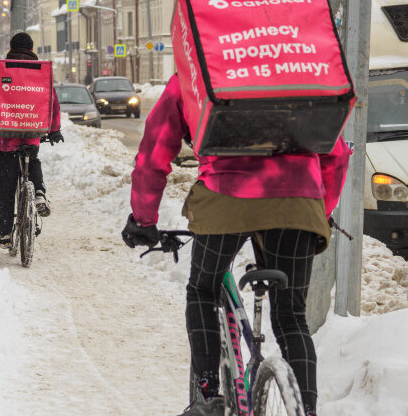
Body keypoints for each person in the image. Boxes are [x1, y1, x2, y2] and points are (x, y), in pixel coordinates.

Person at [121, 74, 351, 416]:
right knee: (291, 318)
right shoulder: (296, 68)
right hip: (298, 198)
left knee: (203, 290)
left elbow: (155, 148)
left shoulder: (198, 65)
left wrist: (144, 219)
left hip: (224, 195)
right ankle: (306, 410)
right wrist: (320, 210)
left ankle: (209, 393)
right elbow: (334, 151)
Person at [0, 32, 63, 250]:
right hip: (32, 131)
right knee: (31, 158)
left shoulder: (1, 69)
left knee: (3, 187)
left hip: (6, 136)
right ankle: (40, 193)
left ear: (11, 47)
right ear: (32, 49)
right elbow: (51, 101)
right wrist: (54, 129)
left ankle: (5, 233)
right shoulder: (41, 71)